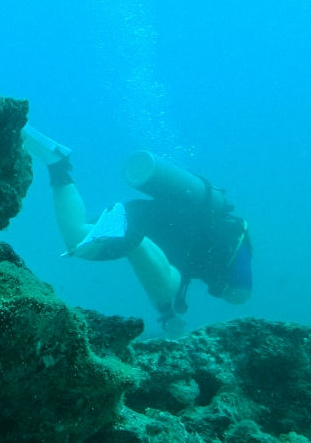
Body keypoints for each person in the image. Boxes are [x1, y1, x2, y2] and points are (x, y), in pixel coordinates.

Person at [22, 125, 252, 336]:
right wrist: (220, 288)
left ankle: (57, 163)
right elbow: (241, 295)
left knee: (77, 238)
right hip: (152, 229)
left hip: (140, 214)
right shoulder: (233, 236)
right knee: (164, 281)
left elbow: (150, 272)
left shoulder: (210, 232)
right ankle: (132, 234)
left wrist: (167, 314)